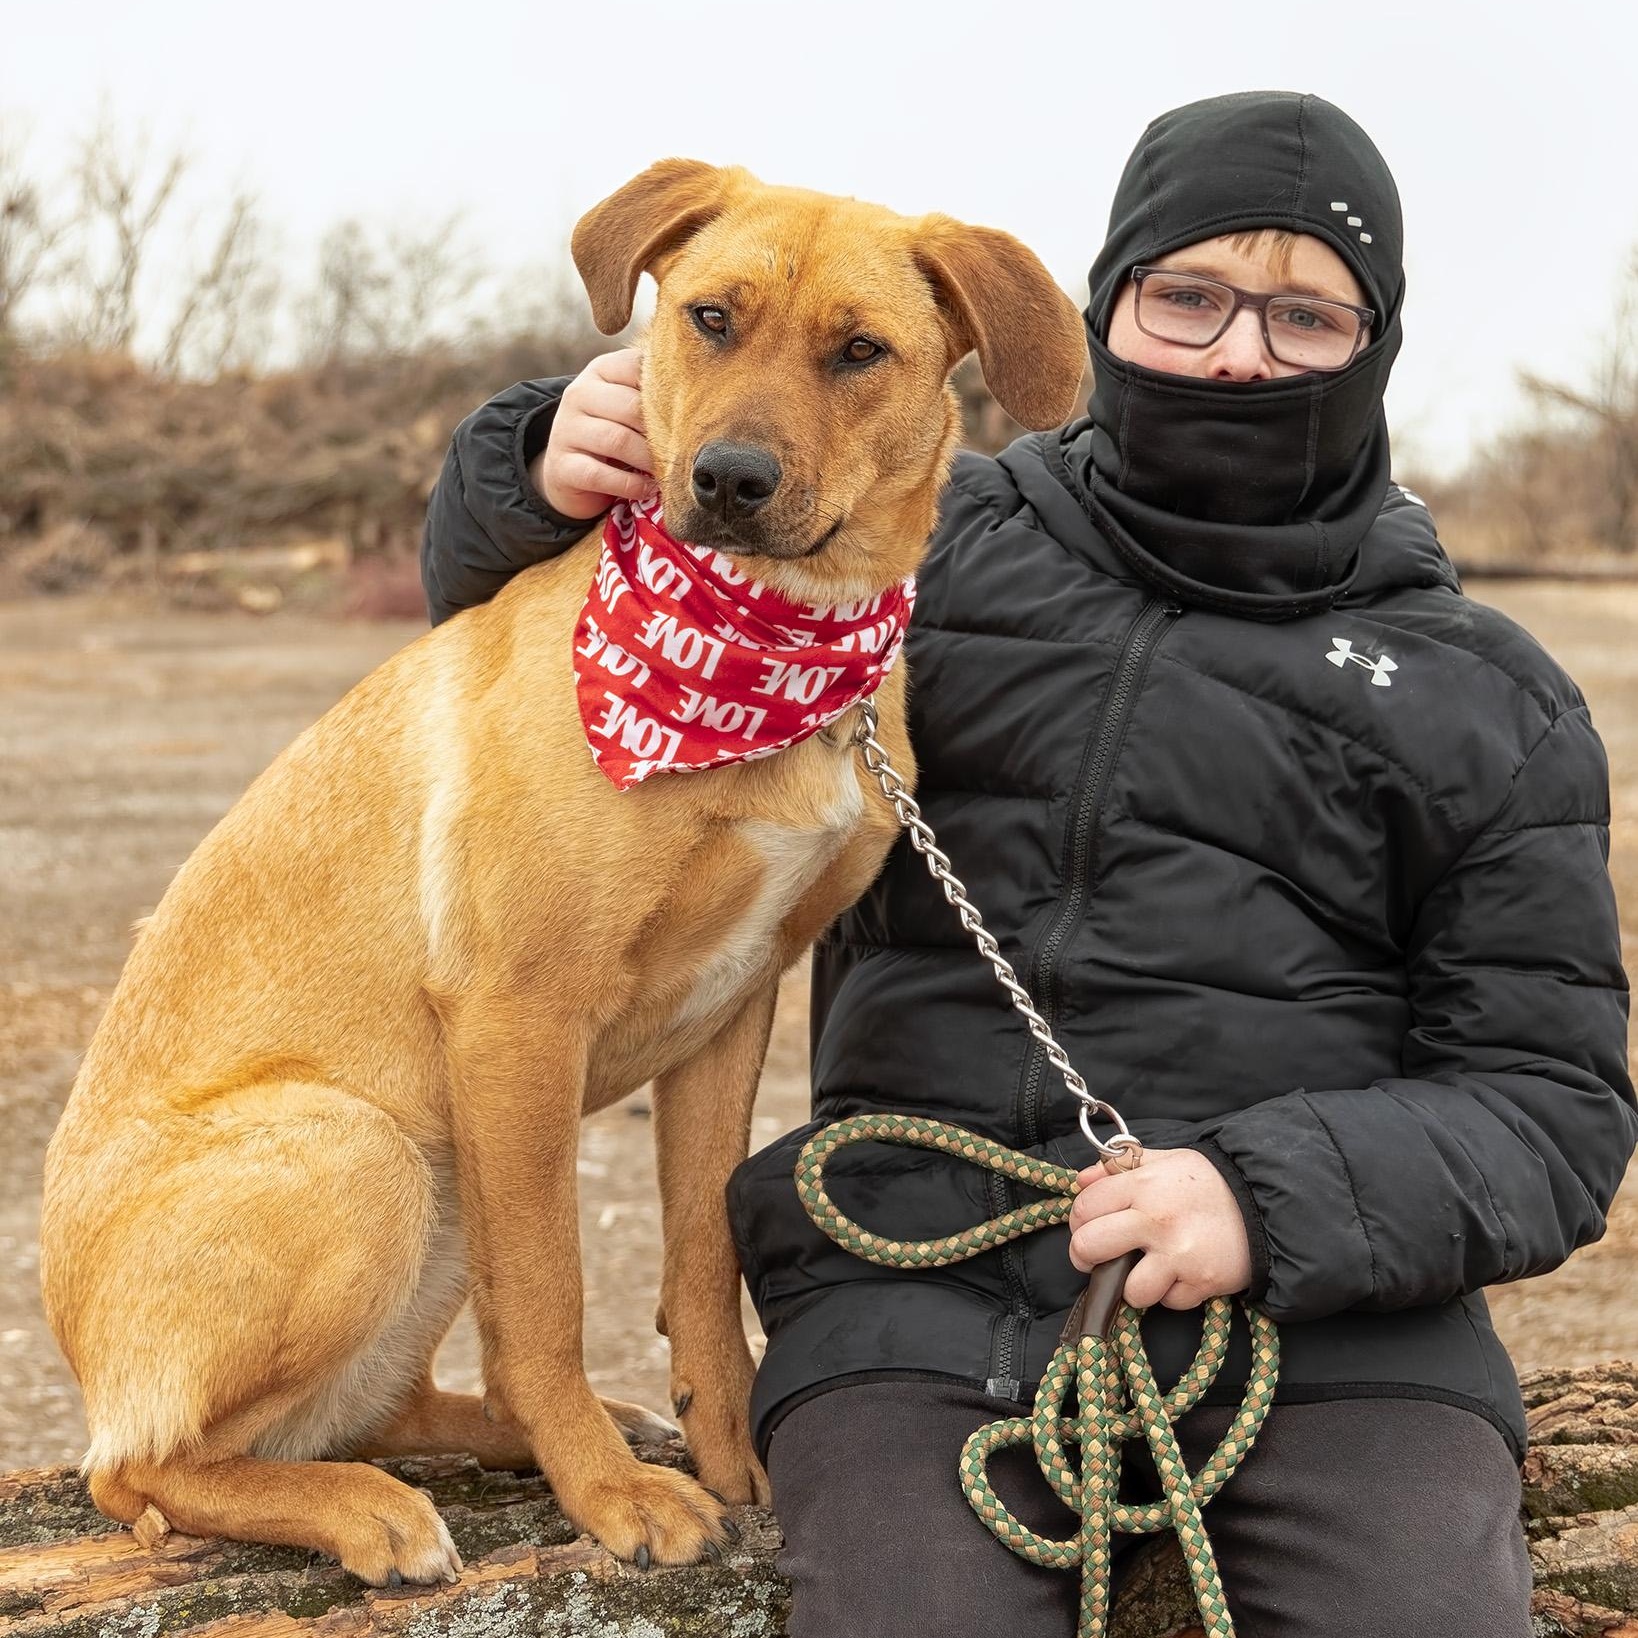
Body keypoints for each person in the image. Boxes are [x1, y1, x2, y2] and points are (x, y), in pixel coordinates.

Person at [420, 92, 1634, 1636]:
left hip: (1336, 1340)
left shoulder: (1482, 690)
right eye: (1186, 296)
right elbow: (575, 636)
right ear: (1102, 313)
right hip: (912, 1292)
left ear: (1375, 343)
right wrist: (529, 463)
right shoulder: (909, 551)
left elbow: (1548, 1107)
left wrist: (1259, 1199)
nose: (1237, 351)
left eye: (1302, 315)